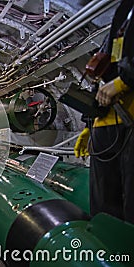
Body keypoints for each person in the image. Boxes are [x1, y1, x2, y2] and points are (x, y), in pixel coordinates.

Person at [74, 0, 134, 224]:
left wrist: (124, 82)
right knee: (103, 209)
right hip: (106, 124)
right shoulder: (122, 13)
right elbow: (104, 73)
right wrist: (89, 124)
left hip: (129, 121)